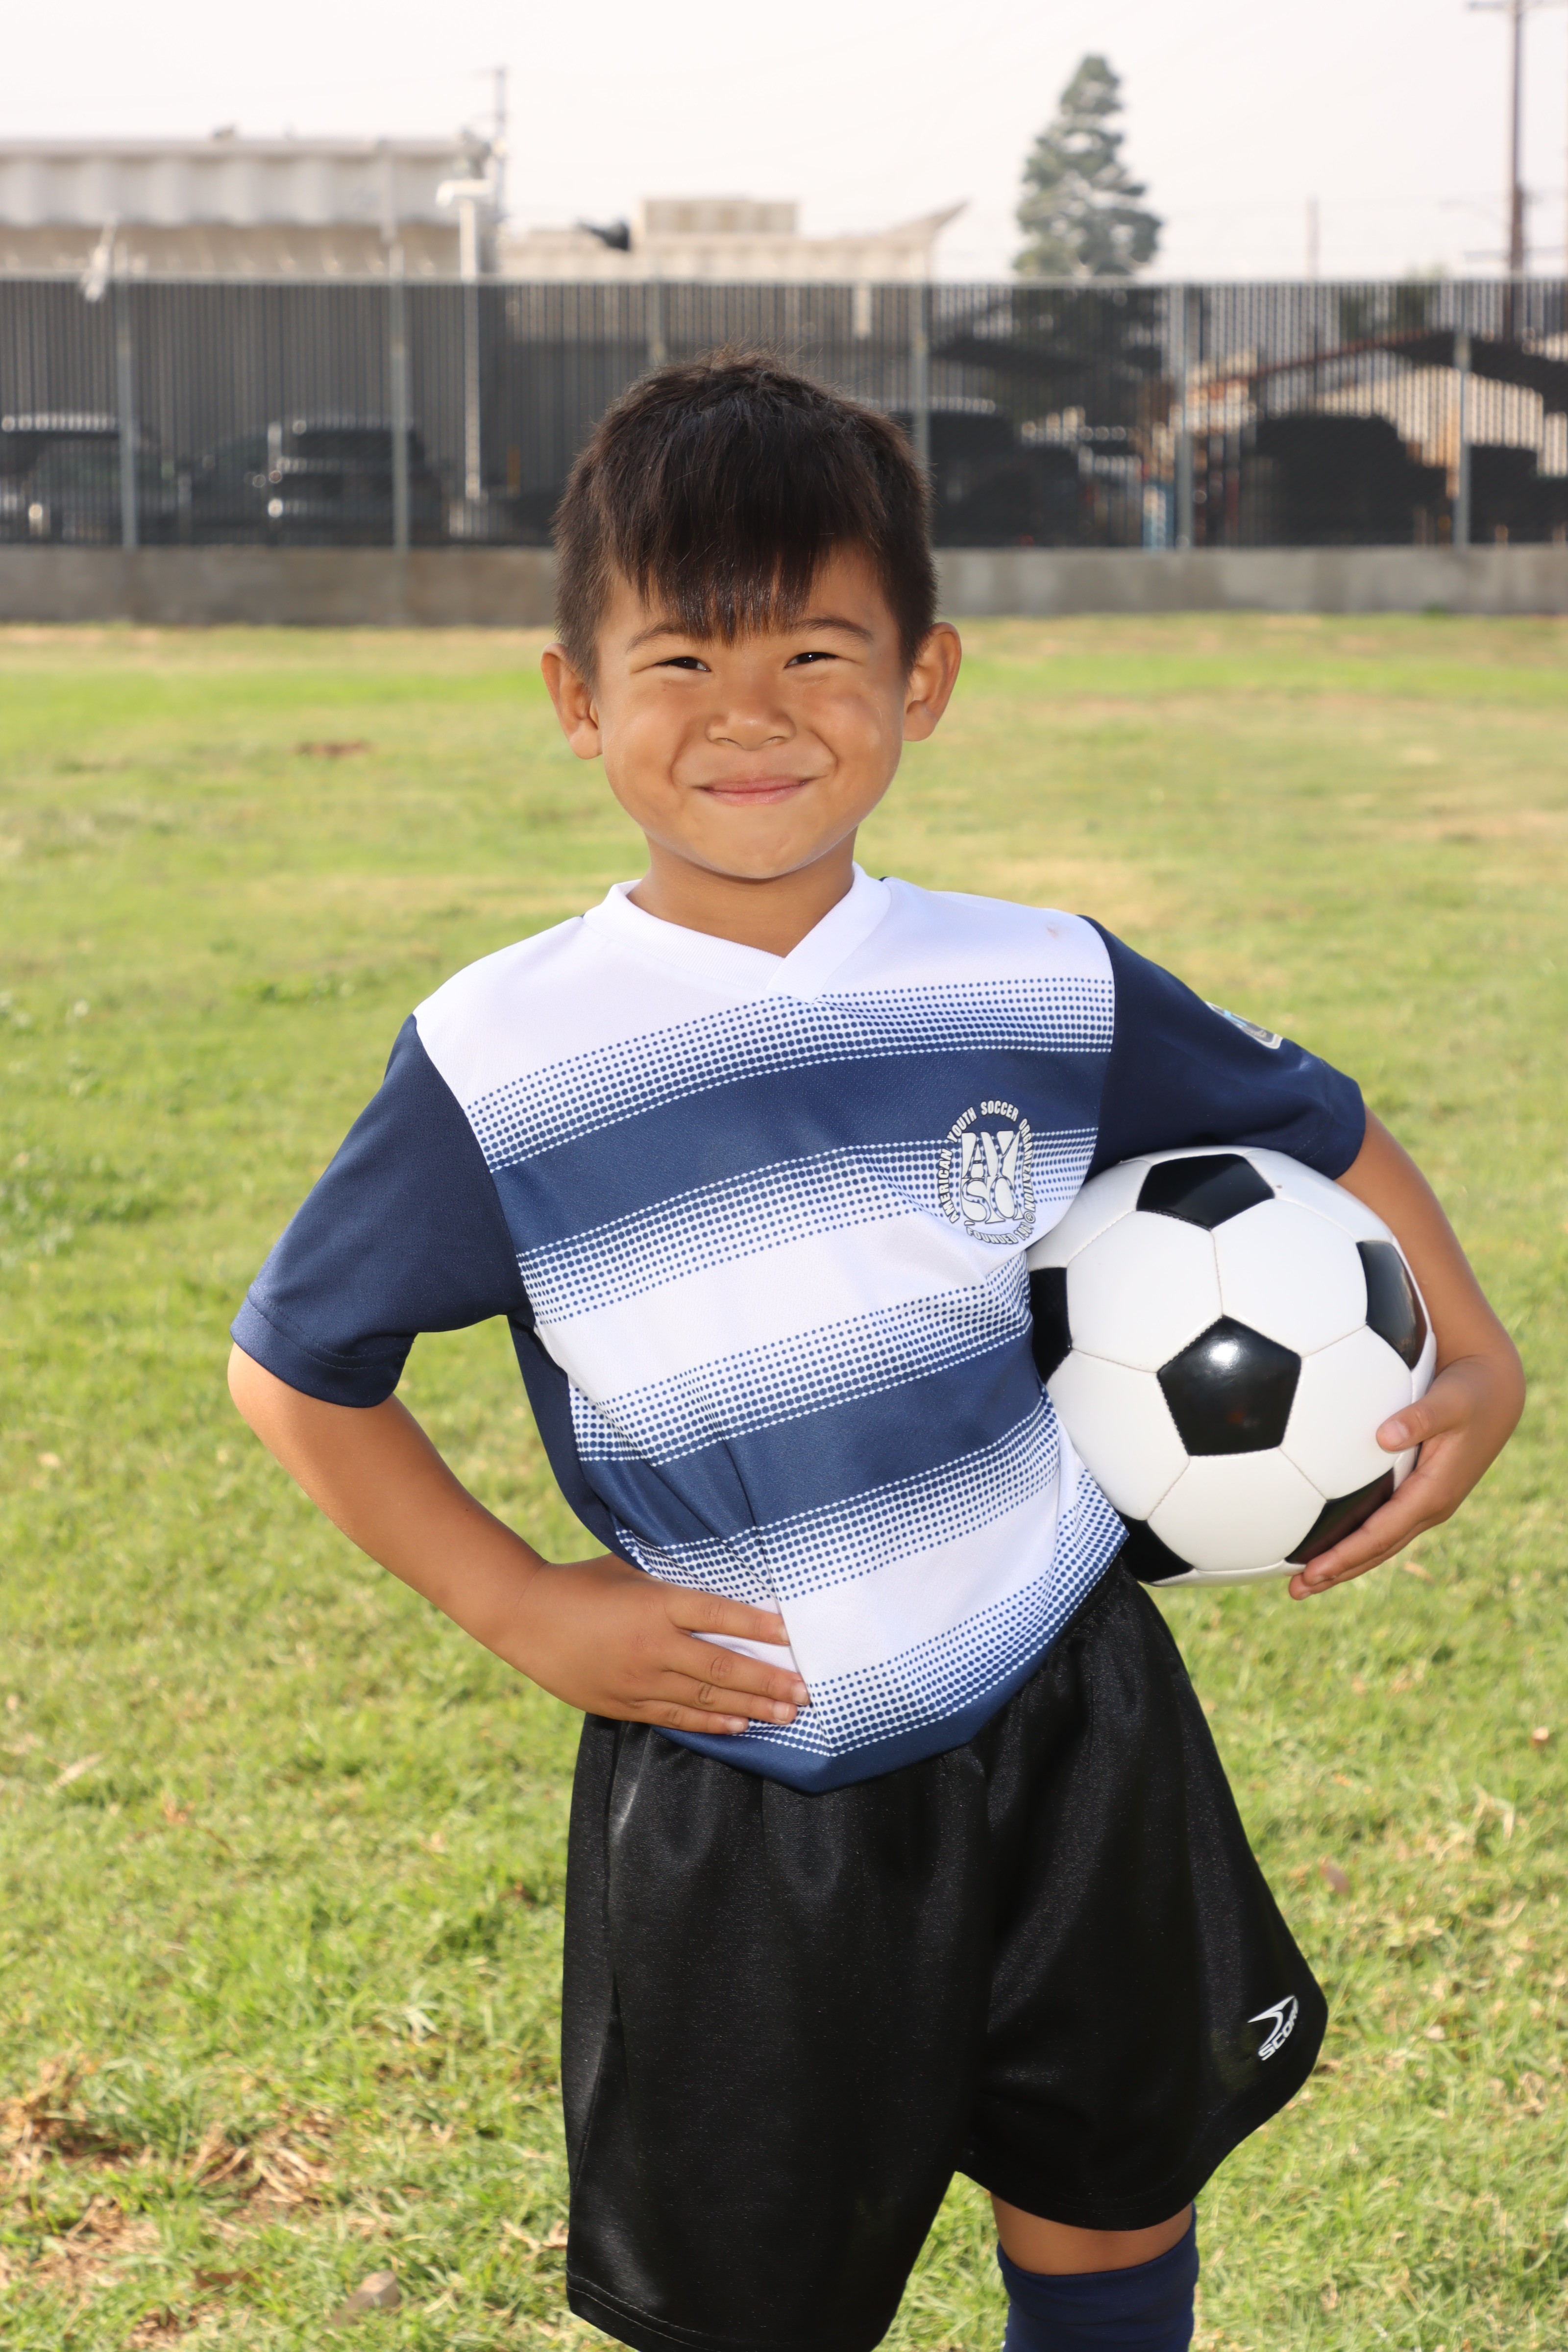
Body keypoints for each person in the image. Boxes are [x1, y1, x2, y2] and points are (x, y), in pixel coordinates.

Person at [227, 354, 1524, 2352]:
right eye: (681, 657)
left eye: (816, 653)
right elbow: (301, 1369)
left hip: (1070, 1710)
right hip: (752, 1771)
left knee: (1108, 2193)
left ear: (922, 680)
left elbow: (1315, 1123)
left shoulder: (1034, 981)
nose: (750, 713)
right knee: (753, 2295)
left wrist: (1474, 1349)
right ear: (576, 698)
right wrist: (519, 1605)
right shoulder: (501, 1056)